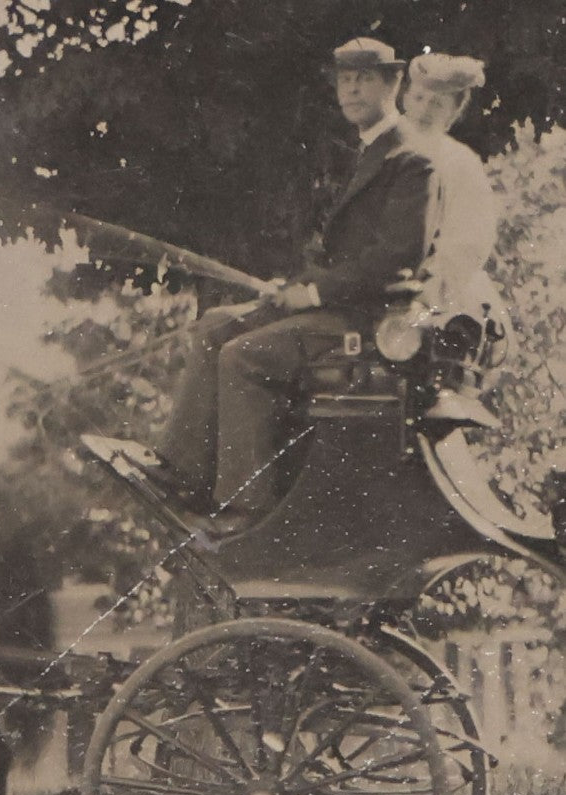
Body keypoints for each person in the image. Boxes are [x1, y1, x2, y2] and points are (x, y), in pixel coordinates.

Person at [132, 38, 438, 529]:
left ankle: (245, 511)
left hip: (367, 321)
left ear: (393, 83)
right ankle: (183, 474)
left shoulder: (412, 159)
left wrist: (314, 293)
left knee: (243, 355)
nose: (351, 88)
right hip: (334, 306)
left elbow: (395, 261)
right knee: (214, 327)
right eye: (344, 78)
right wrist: (292, 285)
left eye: (364, 77)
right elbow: (340, 257)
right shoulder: (368, 152)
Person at [397, 53, 499, 323]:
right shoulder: (381, 150)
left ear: (453, 113)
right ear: (405, 98)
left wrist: (431, 283)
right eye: (419, 98)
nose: (424, 110)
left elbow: (471, 238)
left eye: (437, 104)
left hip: (435, 292)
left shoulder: (461, 163)